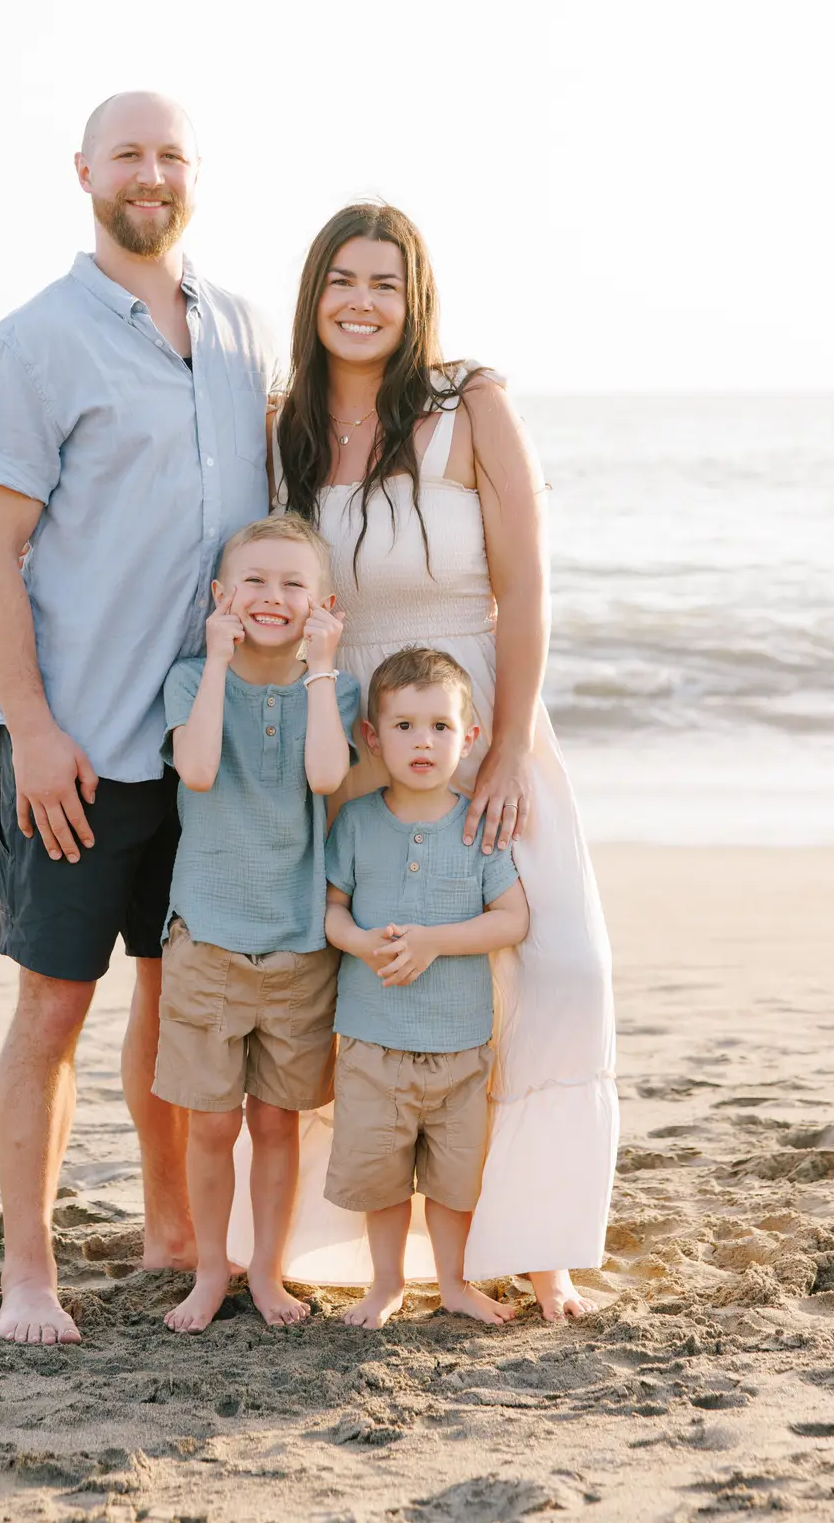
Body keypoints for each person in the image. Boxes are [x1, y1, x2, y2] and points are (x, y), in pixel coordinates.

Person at [229, 199, 617, 1322]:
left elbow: (527, 588)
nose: (362, 303)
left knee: (557, 965)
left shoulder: (469, 403)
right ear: (313, 296)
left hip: (472, 713)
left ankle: (538, 1243)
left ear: (416, 299)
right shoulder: (283, 426)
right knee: (351, 978)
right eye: (341, 280)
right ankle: (353, 1246)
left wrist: (506, 747)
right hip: (344, 722)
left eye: (384, 283)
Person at [0, 91, 274, 1346]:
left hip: (202, 743)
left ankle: (171, 1233)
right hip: (75, 737)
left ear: (195, 173)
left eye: (170, 153)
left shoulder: (240, 329)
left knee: (173, 990)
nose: (151, 172)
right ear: (83, 170)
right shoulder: (32, 344)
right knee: (53, 1006)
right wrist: (32, 729)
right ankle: (27, 1274)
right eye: (127, 153)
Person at [156, 515, 360, 1333]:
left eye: (294, 584)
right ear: (221, 596)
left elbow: (326, 775)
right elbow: (199, 770)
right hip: (206, 937)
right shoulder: (189, 680)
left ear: (324, 605)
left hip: (298, 942)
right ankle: (212, 1271)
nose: (273, 597)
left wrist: (321, 670)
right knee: (212, 1122)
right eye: (255, 581)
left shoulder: (334, 689)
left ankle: (268, 1273)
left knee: (278, 1122)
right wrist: (216, 661)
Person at [324, 646, 530, 1329]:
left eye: (441, 727)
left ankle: (453, 1285)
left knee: (453, 1179)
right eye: (405, 726)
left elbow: (513, 918)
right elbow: (330, 911)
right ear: (372, 737)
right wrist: (361, 942)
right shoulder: (357, 822)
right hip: (371, 1042)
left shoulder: (478, 828)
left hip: (460, 1047)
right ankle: (386, 1284)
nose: (423, 742)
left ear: (469, 739)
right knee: (382, 1176)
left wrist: (436, 940)